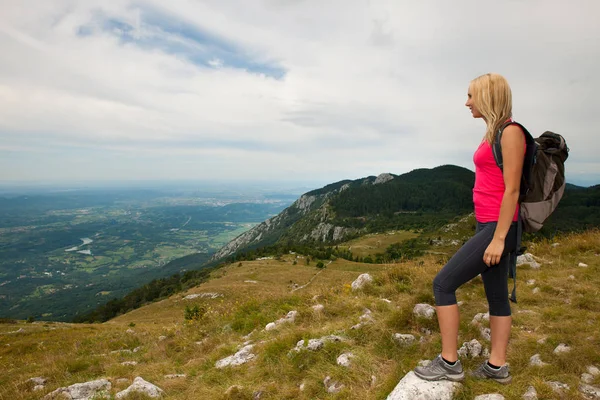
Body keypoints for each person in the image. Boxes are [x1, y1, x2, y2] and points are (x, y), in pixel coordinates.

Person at [413, 73, 525, 384]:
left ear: (488, 96)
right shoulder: (494, 133)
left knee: (442, 284)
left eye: (471, 96)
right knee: (497, 296)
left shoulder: (510, 133)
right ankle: (496, 367)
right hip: (488, 225)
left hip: (498, 227)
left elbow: (512, 190)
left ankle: (449, 363)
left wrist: (498, 238)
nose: (467, 102)